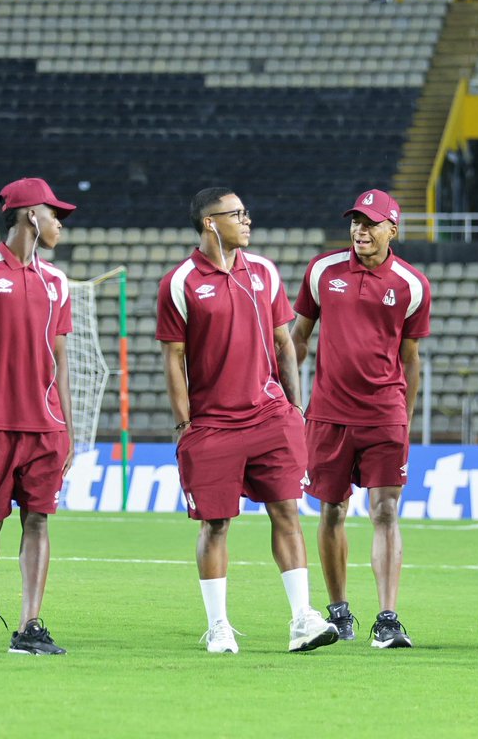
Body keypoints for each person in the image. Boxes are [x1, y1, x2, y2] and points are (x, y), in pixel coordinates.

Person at [156, 186, 339, 655]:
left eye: (246, 212)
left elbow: (284, 344)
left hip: (270, 416)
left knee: (287, 512)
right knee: (215, 526)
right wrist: (185, 425)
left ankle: (302, 619)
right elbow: (173, 360)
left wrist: (295, 409)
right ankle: (218, 626)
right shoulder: (180, 283)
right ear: (210, 223)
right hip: (212, 426)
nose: (247, 220)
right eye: (236, 214)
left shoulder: (264, 271)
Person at [291, 189, 431, 649]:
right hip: (328, 415)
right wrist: (288, 399)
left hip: (384, 414)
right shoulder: (322, 271)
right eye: (355, 221)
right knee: (331, 510)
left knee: (386, 511)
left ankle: (388, 619)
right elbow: (298, 338)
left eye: (371, 223)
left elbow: (410, 359)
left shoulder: (412, 284)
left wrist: (404, 419)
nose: (360, 230)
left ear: (393, 229)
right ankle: (339, 611)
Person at [0, 177, 77, 655]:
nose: (60, 224)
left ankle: (29, 626)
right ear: (30, 216)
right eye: (54, 214)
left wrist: (69, 426)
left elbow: (60, 358)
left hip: (45, 427)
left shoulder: (57, 282)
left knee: (39, 520)